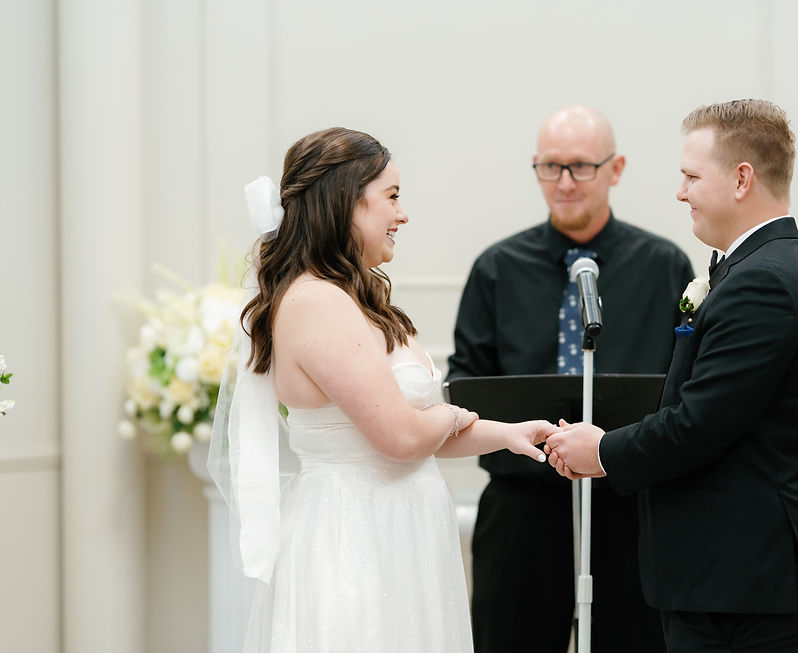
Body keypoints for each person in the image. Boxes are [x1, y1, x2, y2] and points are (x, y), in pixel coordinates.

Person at [209, 127, 555, 652]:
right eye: (392, 197)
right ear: (347, 202)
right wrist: (454, 416)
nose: (403, 213)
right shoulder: (316, 301)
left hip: (399, 533)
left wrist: (507, 434)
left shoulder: (363, 299)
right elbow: (401, 437)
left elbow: (421, 432)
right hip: (352, 537)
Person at [545, 99, 798, 652]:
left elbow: (700, 423)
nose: (679, 193)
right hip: (727, 578)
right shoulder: (755, 268)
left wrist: (603, 450)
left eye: (690, 177)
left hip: (743, 582)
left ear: (741, 179)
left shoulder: (764, 282)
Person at [448, 105, 693, 652]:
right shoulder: (497, 268)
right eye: (549, 167)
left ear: (616, 168)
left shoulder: (664, 266)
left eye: (580, 166)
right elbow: (465, 385)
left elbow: (683, 388)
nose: (564, 183)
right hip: (523, 507)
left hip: (628, 506)